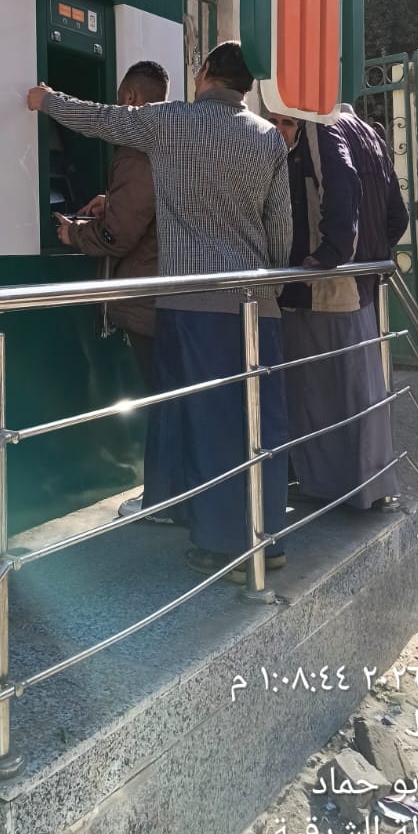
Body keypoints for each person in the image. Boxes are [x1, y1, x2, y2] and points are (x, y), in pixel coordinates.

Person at [28, 42, 292, 583]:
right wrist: (268, 287)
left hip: (192, 305)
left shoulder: (171, 121)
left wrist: (46, 100)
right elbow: (281, 230)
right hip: (257, 307)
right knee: (256, 422)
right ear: (247, 85)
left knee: (206, 423)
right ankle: (268, 539)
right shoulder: (268, 137)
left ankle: (224, 547)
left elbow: (101, 119)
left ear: (205, 73)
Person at [268, 107, 406, 511]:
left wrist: (332, 253)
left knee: (319, 394)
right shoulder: (369, 134)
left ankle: (333, 490)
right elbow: (398, 216)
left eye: (286, 122)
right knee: (358, 392)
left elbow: (341, 182)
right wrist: (370, 256)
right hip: (360, 287)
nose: (280, 130)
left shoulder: (321, 128)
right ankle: (368, 488)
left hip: (324, 290)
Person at [53, 61, 170, 521]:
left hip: (146, 295)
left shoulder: (137, 148)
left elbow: (118, 235)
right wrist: (112, 201)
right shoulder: (170, 136)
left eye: (120, 100)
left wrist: (75, 233)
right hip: (166, 289)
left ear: (131, 99)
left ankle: (163, 497)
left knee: (160, 398)